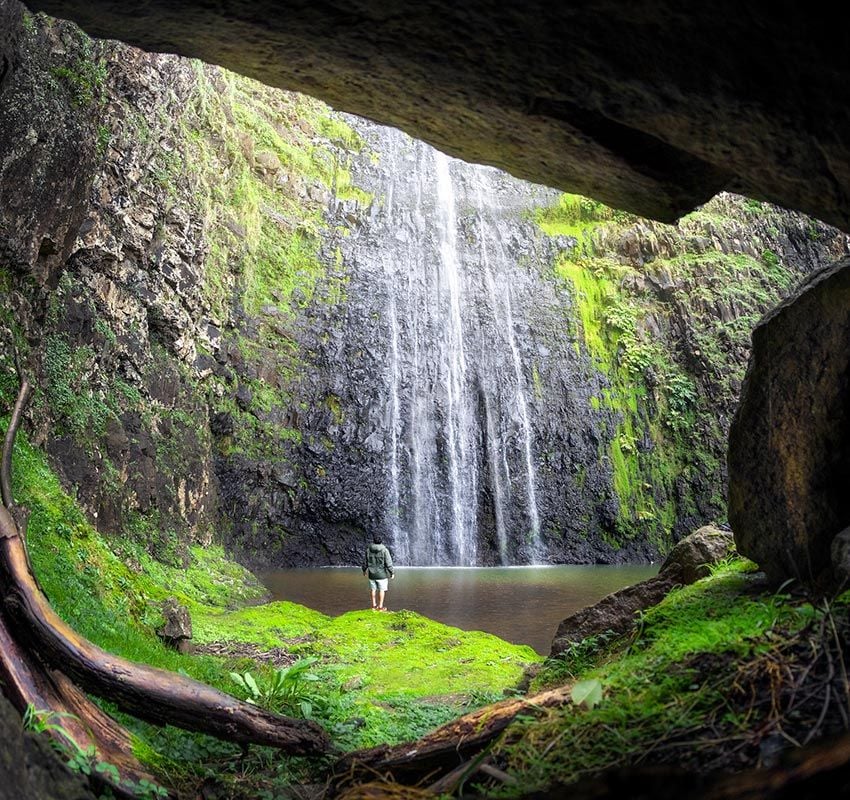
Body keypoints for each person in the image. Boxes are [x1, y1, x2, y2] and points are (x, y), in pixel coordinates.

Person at [362, 536, 394, 611]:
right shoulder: (384, 550)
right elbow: (388, 563)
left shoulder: (368, 550)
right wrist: (391, 572)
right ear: (381, 542)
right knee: (381, 590)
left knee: (373, 589)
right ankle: (380, 606)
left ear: (373, 541)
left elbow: (365, 562)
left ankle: (374, 605)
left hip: (372, 575)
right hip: (382, 575)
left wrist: (364, 570)